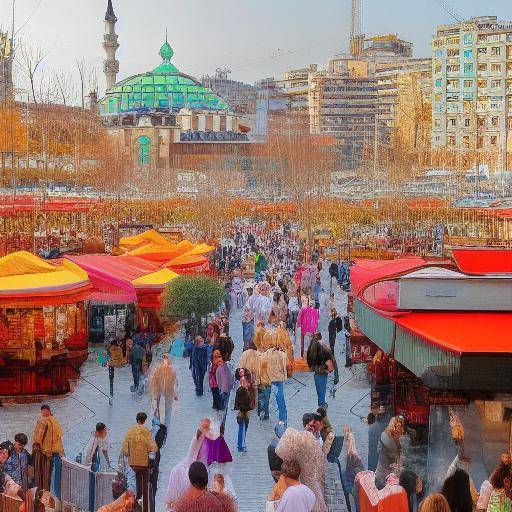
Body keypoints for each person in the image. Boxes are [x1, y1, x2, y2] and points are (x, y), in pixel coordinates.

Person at [120, 412, 158, 512]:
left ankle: (136, 500)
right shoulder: (146, 431)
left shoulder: (130, 431)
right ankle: (145, 507)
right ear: (144, 421)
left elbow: (124, 449)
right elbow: (154, 448)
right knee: (145, 484)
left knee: (137, 478)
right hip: (144, 465)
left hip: (133, 464)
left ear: (136, 419)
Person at [32, 404, 64, 498]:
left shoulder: (43, 421)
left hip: (44, 454)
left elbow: (37, 438)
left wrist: (35, 451)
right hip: (55, 453)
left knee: (40, 478)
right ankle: (52, 497)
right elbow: (59, 437)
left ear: (45, 411)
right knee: (51, 479)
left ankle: (41, 496)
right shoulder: (56, 422)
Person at [84, 423, 111, 512]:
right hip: (92, 466)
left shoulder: (98, 438)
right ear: (101, 432)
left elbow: (104, 449)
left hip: (96, 463)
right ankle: (91, 509)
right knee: (92, 489)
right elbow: (89, 454)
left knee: (95, 489)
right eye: (104, 431)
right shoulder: (94, 440)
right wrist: (89, 469)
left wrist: (108, 462)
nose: (106, 433)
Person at [374, 415, 405, 490]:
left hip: (379, 473)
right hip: (387, 477)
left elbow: (379, 450)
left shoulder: (383, 435)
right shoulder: (398, 441)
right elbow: (396, 457)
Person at [306, 333, 334, 408]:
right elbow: (329, 358)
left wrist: (311, 367)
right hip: (323, 370)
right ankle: (321, 404)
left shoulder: (312, 347)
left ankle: (321, 403)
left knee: (319, 389)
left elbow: (309, 359)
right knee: (322, 388)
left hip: (317, 371)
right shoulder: (323, 348)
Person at [234, 368, 256, 453]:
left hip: (246, 412)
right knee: (242, 428)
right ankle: (241, 445)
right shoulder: (240, 390)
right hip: (243, 412)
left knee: (244, 428)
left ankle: (241, 444)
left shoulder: (249, 389)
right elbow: (239, 403)